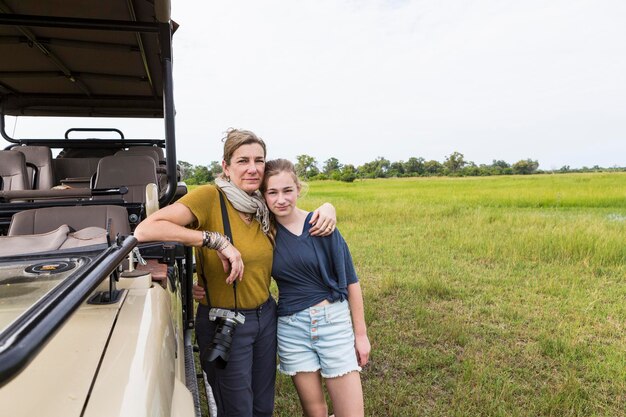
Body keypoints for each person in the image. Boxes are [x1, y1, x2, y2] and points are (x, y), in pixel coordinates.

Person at [134, 129, 336, 417]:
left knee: (263, 407)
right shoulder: (209, 198)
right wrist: (215, 240)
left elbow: (296, 213)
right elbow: (146, 229)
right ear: (225, 167)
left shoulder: (263, 205)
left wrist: (328, 208)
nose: (253, 168)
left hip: (266, 317)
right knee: (237, 409)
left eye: (259, 160)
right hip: (225, 321)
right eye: (243, 161)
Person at [261, 159, 371, 417]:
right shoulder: (266, 232)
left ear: (298, 189)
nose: (281, 199)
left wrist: (361, 335)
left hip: (332, 323)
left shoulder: (322, 224)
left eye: (287, 190)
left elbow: (352, 282)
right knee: (315, 412)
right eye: (272, 192)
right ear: (263, 195)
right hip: (291, 329)